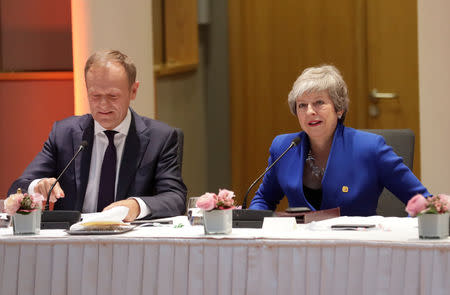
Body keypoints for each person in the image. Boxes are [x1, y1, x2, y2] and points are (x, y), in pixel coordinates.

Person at [8, 50, 187, 221]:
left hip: (130, 241)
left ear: (133, 91)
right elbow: (17, 188)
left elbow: (175, 198)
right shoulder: (64, 133)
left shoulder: (160, 138)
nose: (103, 105)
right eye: (95, 96)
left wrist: (136, 206)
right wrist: (38, 186)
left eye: (112, 96)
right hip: (73, 243)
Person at [248, 65, 429, 216]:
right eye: (302, 105)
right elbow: (264, 199)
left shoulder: (370, 148)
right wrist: (254, 226)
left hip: (358, 250)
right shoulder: (284, 147)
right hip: (302, 251)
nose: (310, 111)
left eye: (319, 102)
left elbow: (422, 201)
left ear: (339, 109)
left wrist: (395, 236)